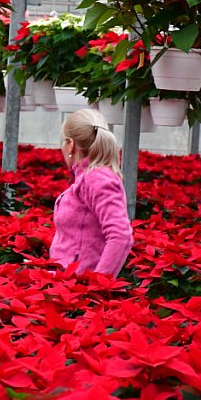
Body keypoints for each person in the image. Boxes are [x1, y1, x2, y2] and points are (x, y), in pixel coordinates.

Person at [51, 108, 133, 277]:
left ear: (71, 145)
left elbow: (121, 236)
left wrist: (97, 285)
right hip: (67, 284)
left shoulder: (97, 178)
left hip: (80, 290)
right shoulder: (87, 176)